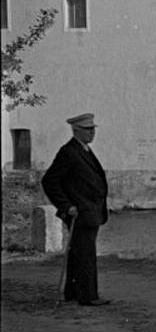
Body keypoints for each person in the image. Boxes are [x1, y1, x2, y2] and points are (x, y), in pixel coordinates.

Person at [42, 113, 110, 306]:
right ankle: (88, 296)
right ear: (76, 131)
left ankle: (72, 292)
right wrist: (66, 206)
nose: (92, 133)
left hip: (91, 212)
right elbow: (49, 181)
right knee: (86, 254)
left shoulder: (84, 150)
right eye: (87, 130)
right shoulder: (69, 152)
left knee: (77, 253)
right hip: (80, 213)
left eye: (93, 129)